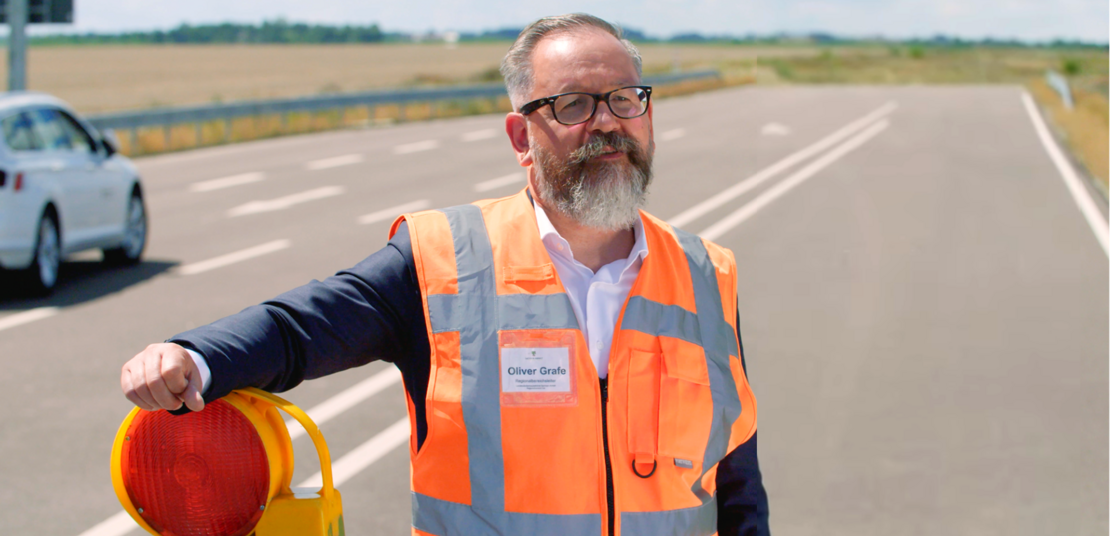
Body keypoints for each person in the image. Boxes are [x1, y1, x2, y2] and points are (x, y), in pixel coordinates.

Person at [120, 13, 769, 536]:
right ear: (521, 137)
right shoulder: (441, 260)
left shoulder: (706, 275)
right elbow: (302, 329)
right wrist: (191, 356)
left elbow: (736, 480)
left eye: (625, 100)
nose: (606, 123)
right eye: (573, 105)